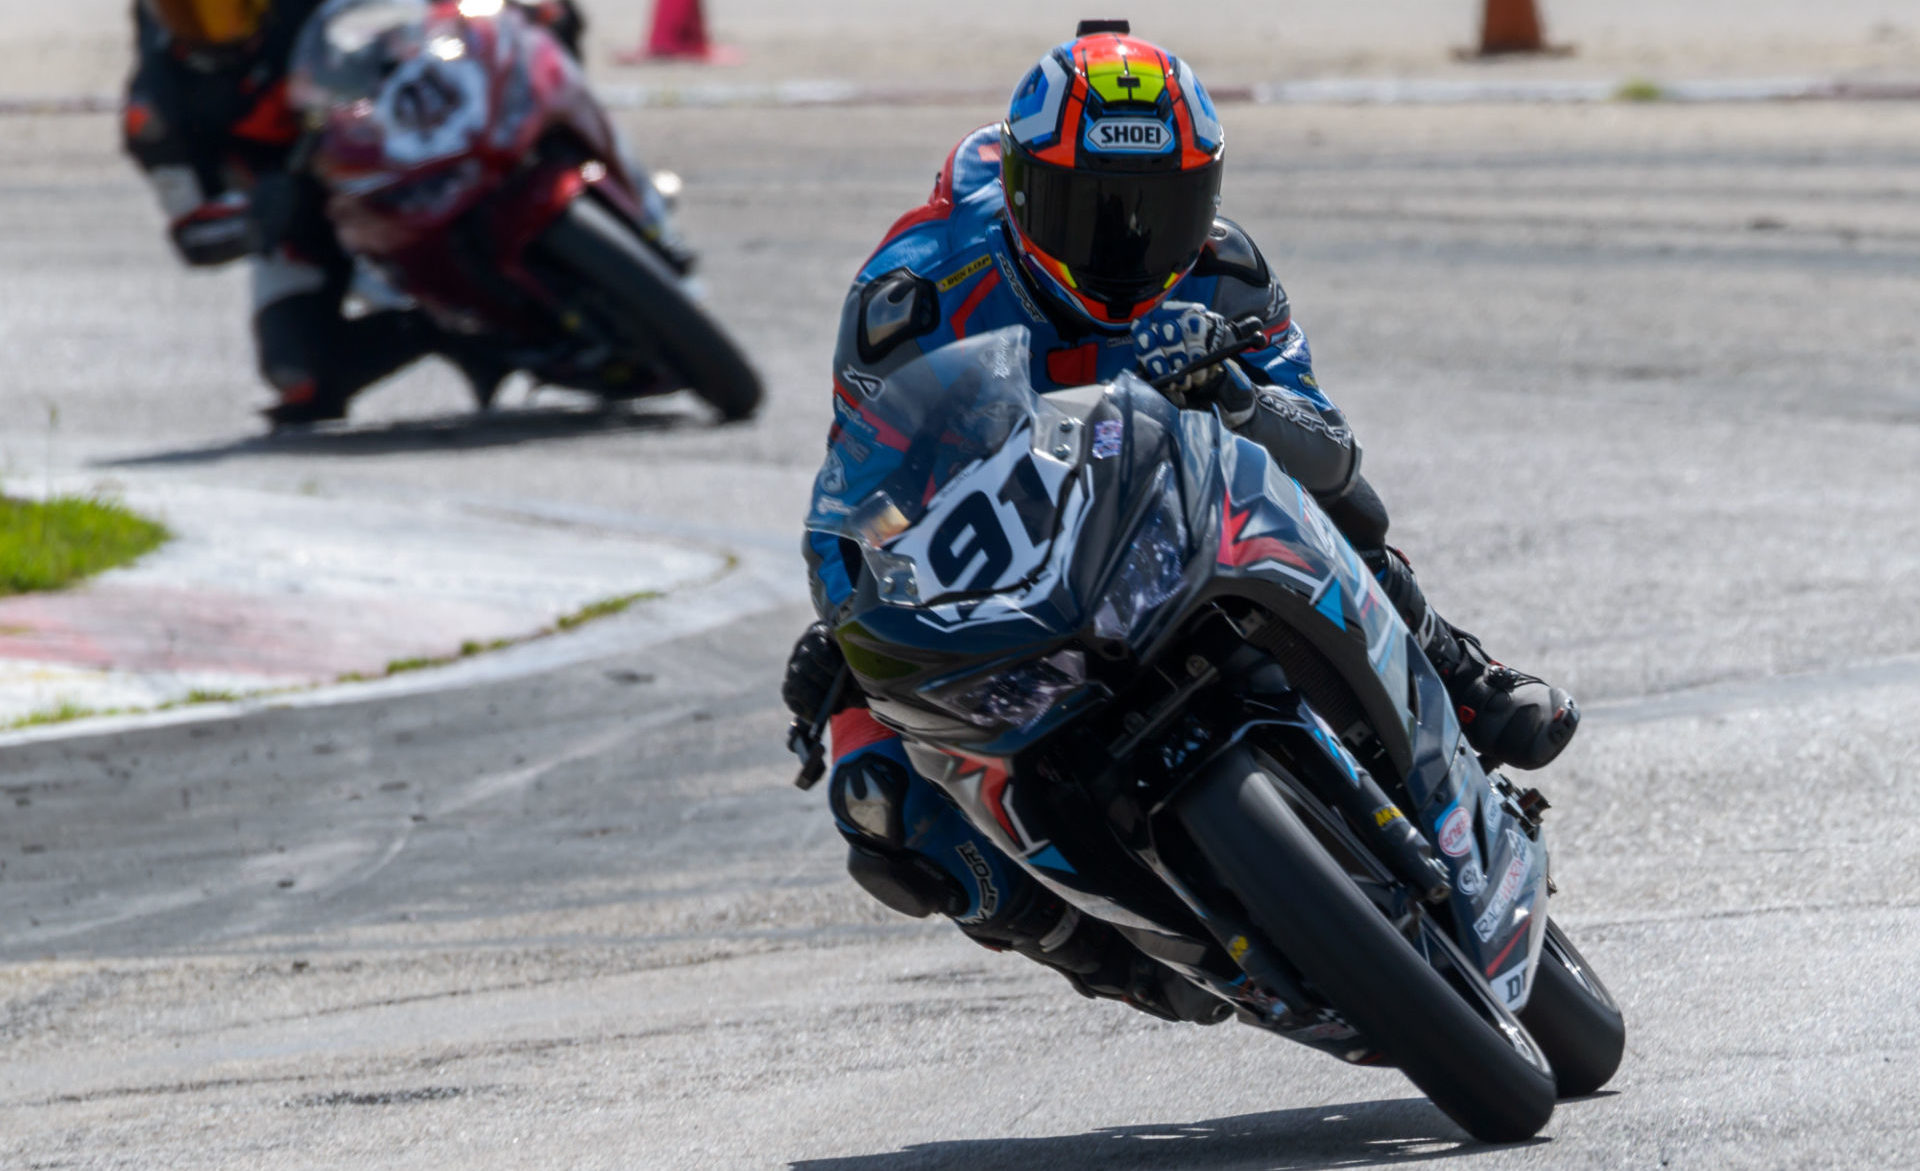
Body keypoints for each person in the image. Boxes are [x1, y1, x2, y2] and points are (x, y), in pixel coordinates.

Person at [781, 23, 1580, 1024]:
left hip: (1179, 513)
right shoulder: (917, 296)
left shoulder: (1223, 267)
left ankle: (1460, 676)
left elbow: (1331, 453)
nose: (1124, 242)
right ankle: (1112, 950)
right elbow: (858, 491)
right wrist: (850, 621)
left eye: (1158, 211)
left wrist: (1238, 397)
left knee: (1337, 503)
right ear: (1028, 193)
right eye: (1091, 209)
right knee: (876, 800)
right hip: (1012, 569)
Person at [122, 0, 583, 426]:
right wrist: (257, 212)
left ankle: (584, 181)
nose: (213, 26)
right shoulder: (156, 110)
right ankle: (451, 330)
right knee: (299, 374)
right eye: (188, 11)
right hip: (309, 216)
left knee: (538, 27)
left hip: (399, 132)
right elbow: (192, 234)